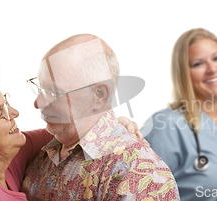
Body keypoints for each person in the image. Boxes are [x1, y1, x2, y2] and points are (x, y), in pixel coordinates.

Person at [0, 67, 141, 201]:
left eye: (6, 102)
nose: (15, 112)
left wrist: (111, 123)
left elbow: (67, 132)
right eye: (2, 112)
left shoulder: (5, 154)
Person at [21, 34, 180, 200]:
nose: (37, 103)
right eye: (40, 87)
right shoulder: (42, 155)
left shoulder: (137, 171)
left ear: (99, 96)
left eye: (53, 92)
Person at [141, 28, 217, 201]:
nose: (212, 69)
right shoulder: (165, 127)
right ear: (183, 73)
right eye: (198, 64)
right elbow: (142, 193)